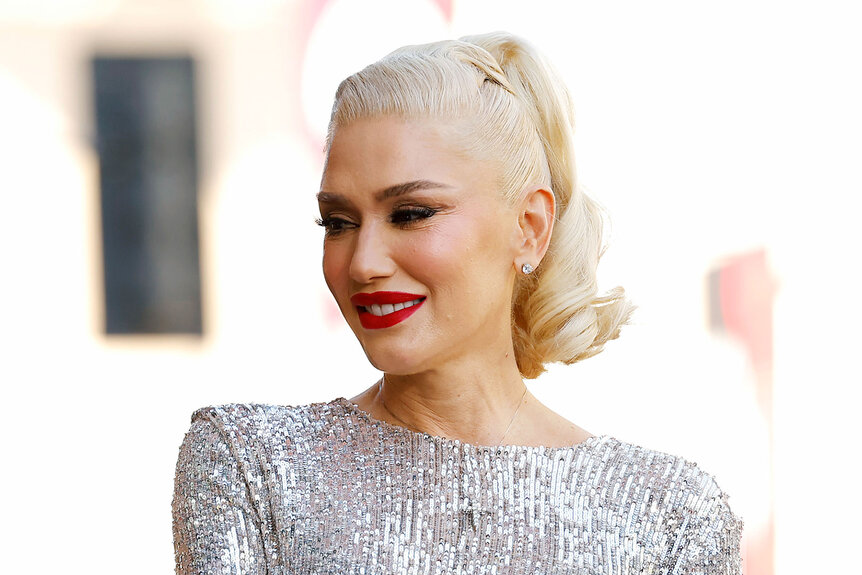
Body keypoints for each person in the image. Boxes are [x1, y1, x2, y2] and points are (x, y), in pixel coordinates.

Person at [172, 32, 743, 574]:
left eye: (412, 214)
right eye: (338, 222)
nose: (364, 261)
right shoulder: (253, 468)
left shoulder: (669, 518)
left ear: (529, 226)